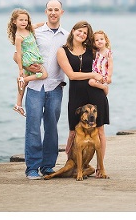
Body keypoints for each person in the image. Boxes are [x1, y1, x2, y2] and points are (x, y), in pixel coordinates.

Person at [18, 0, 67, 179]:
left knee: (52, 127)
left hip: (56, 87)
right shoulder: (35, 33)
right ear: (46, 12)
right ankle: (32, 168)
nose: (53, 12)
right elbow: (17, 55)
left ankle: (47, 166)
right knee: (32, 127)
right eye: (50, 10)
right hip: (35, 87)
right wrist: (28, 68)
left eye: (56, 10)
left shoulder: (67, 36)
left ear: (62, 12)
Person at [56, 20, 109, 177]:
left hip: (95, 92)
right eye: (79, 31)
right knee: (73, 131)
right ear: (73, 31)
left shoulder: (91, 50)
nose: (82, 34)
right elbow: (71, 75)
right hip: (76, 94)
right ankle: (73, 166)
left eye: (85, 33)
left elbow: (106, 58)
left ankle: (100, 167)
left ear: (88, 36)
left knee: (100, 130)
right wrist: (92, 75)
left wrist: (104, 85)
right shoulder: (62, 51)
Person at [7, 8, 48, 117]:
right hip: (29, 59)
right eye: (21, 20)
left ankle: (18, 104)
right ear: (14, 21)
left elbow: (39, 24)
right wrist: (20, 69)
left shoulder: (29, 29)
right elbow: (18, 54)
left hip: (31, 58)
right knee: (44, 75)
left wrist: (48, 23)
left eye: (26, 20)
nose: (24, 22)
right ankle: (24, 79)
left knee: (23, 85)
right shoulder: (18, 37)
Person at [88, 30, 113, 95]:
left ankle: (105, 88)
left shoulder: (107, 52)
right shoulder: (96, 51)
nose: (99, 41)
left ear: (106, 41)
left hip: (102, 74)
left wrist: (109, 76)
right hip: (95, 73)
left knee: (91, 82)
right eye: (97, 40)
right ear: (94, 43)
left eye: (101, 39)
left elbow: (110, 65)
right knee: (90, 83)